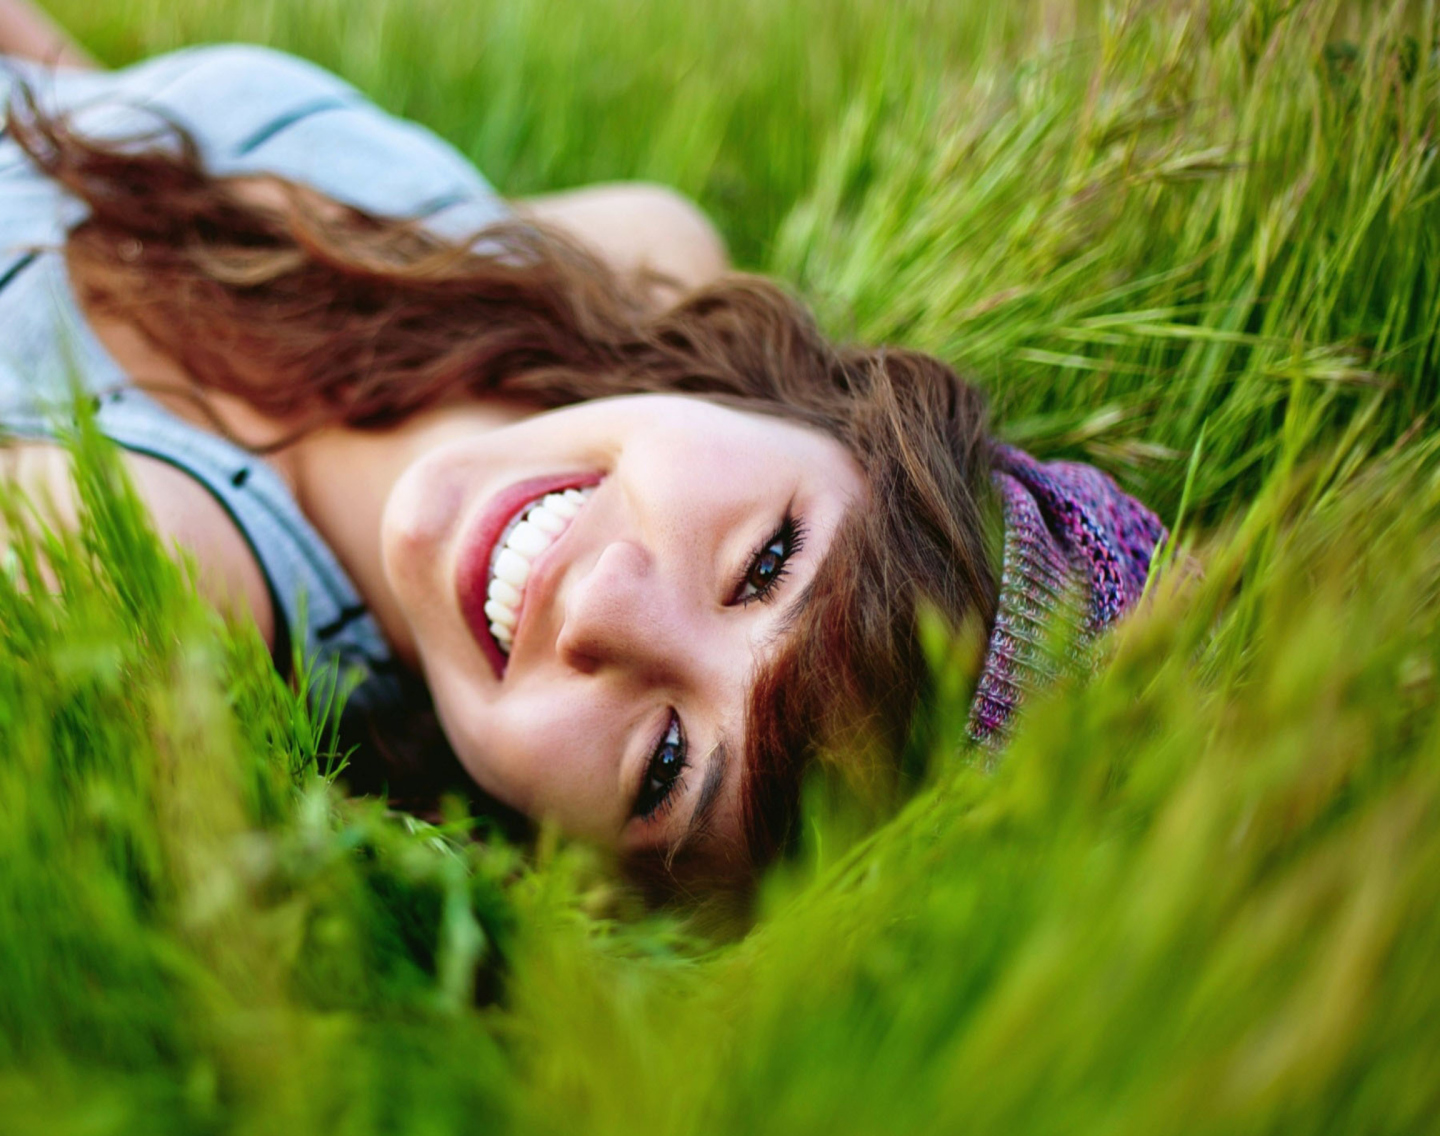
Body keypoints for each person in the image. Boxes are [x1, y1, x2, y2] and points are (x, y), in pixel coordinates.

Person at [0, 3, 1166, 905]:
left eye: (663, 766)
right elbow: (91, 130)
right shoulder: (626, 254)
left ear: (587, 873)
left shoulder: (160, 564)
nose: (605, 600)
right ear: (824, 417)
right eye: (768, 562)